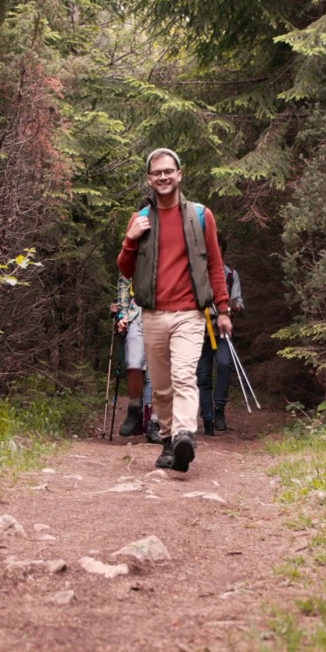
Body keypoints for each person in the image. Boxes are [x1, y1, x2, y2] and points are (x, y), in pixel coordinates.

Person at [117, 148, 231, 474]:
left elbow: (215, 264)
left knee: (184, 376)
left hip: (190, 314)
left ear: (179, 175)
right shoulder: (140, 219)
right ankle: (169, 440)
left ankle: (184, 435)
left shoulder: (200, 215)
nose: (164, 177)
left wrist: (222, 309)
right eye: (157, 173)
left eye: (169, 171)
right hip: (152, 315)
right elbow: (125, 270)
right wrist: (130, 238)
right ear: (150, 179)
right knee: (163, 386)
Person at [112, 276, 163, 443]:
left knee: (157, 370)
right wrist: (121, 315)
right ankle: (134, 408)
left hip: (162, 316)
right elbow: (124, 283)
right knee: (134, 363)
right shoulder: (135, 257)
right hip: (136, 316)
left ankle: (155, 422)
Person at [198, 264, 244, 434]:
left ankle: (219, 410)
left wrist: (230, 308)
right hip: (200, 333)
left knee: (224, 365)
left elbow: (238, 302)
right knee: (203, 375)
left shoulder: (230, 274)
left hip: (222, 332)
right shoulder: (196, 270)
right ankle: (207, 419)